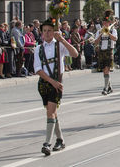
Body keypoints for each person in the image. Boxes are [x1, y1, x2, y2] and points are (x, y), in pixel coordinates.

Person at [34, 18, 78, 155]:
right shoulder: (38, 48)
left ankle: (47, 143)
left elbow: (75, 54)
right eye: (44, 31)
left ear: (54, 32)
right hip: (44, 83)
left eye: (50, 31)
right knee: (51, 112)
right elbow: (38, 69)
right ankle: (60, 139)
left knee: (50, 112)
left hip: (57, 84)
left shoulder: (59, 45)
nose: (47, 33)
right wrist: (51, 81)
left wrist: (63, 40)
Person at [94, 10, 118, 95]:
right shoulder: (99, 31)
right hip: (101, 52)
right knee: (104, 70)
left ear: (109, 22)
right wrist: (100, 34)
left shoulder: (113, 30)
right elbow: (95, 42)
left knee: (107, 69)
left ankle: (105, 88)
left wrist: (108, 33)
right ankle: (109, 87)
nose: (105, 23)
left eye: (106, 22)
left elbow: (115, 39)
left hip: (109, 51)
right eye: (103, 22)